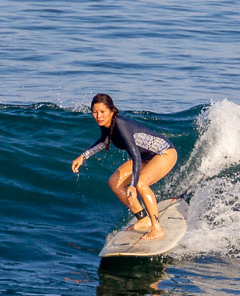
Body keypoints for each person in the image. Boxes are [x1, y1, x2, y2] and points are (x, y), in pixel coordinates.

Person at [72, 94, 177, 241]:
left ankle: (157, 228)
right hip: (146, 157)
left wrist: (132, 185)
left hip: (164, 153)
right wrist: (83, 157)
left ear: (112, 111)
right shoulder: (108, 126)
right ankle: (143, 218)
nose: (98, 116)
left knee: (141, 183)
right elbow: (104, 141)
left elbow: (135, 156)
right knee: (114, 182)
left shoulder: (120, 125)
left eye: (102, 112)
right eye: (95, 112)